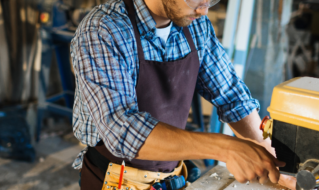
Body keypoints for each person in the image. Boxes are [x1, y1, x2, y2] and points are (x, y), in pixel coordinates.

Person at [70, 0, 296, 189]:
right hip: (114, 180)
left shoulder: (196, 26)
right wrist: (226, 148)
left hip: (171, 175)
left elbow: (231, 96)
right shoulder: (104, 29)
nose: (203, 10)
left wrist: (272, 163)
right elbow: (122, 130)